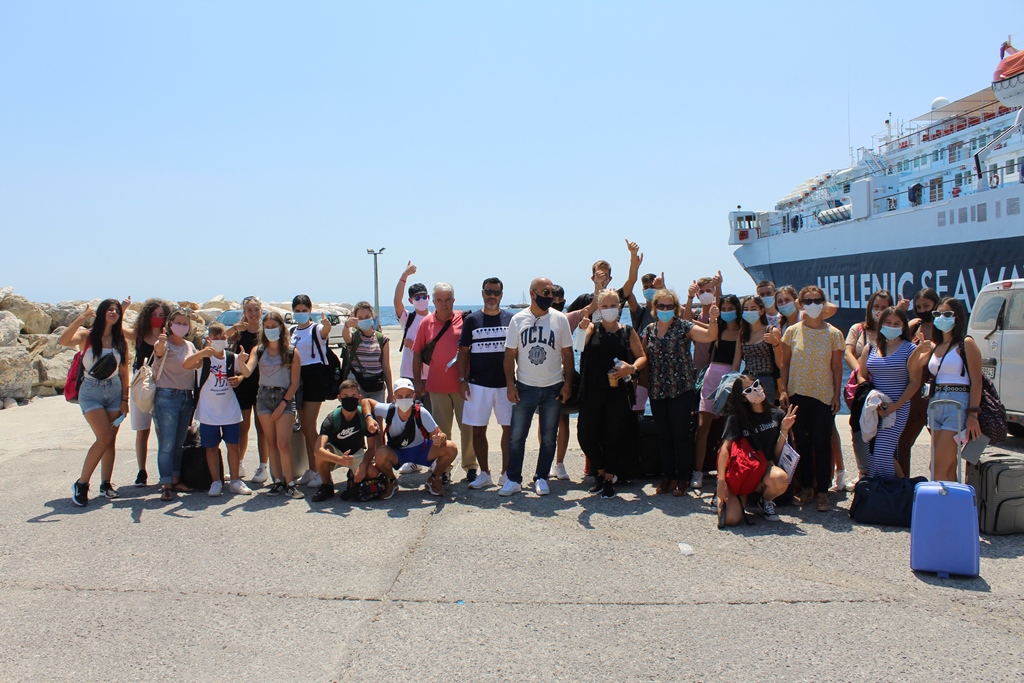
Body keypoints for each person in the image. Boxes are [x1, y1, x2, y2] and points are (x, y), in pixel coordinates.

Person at [501, 277, 574, 496]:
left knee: (549, 437)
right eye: (546, 292)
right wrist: (510, 384)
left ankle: (541, 477)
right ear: (532, 293)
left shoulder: (560, 319)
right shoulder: (517, 320)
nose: (550, 296)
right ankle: (513, 479)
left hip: (553, 387)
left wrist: (568, 384)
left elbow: (567, 354)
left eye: (552, 292)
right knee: (517, 437)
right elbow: (509, 354)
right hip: (525, 387)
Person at [641, 288, 719, 496]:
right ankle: (668, 476)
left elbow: (711, 335)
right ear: (654, 307)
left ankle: (683, 477)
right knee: (663, 435)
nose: (665, 309)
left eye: (669, 306)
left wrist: (713, 319)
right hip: (657, 390)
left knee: (681, 435)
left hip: (681, 389)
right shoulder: (649, 330)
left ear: (675, 308)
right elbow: (642, 357)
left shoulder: (684, 326)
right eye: (661, 305)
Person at [779, 286, 845, 512]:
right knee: (802, 443)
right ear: (801, 304)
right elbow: (785, 363)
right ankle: (807, 487)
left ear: (824, 303)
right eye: (808, 300)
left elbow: (837, 367)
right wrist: (783, 390)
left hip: (823, 395)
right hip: (798, 393)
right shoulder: (792, 332)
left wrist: (836, 394)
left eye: (817, 300)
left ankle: (823, 491)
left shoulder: (834, 334)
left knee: (822, 442)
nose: (813, 304)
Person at [575, 289, 647, 498]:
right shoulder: (592, 328)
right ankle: (599, 470)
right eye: (605, 306)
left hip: (618, 391)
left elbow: (642, 357)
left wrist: (631, 368)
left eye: (613, 306)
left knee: (614, 435)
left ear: (619, 307)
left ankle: (608, 478)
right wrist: (581, 329)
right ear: (599, 308)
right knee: (585, 435)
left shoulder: (627, 331)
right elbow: (579, 346)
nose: (609, 309)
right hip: (592, 389)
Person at [61, 300, 131, 506]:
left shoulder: (119, 340)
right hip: (91, 391)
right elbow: (64, 340)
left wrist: (125, 399)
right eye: (109, 309)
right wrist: (82, 318)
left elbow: (124, 372)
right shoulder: (87, 336)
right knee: (104, 437)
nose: (113, 312)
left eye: (116, 310)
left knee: (110, 440)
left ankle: (106, 484)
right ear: (101, 313)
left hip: (115, 391)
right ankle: (81, 483)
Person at [412, 283, 476, 481]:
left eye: (447, 299)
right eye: (439, 300)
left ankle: (470, 466)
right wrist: (417, 382)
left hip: (462, 386)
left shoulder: (464, 320)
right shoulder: (426, 323)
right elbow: (417, 354)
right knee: (441, 432)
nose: (444, 304)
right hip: (437, 387)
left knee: (468, 429)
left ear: (454, 300)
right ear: (433, 301)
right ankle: (444, 468)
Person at [183, 322, 254, 496]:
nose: (219, 340)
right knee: (211, 447)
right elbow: (186, 365)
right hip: (209, 412)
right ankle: (216, 482)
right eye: (215, 338)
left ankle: (235, 481)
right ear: (209, 339)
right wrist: (201, 352)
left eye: (222, 337)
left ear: (227, 338)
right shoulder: (204, 358)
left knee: (233, 446)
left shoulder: (231, 357)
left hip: (230, 410)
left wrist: (241, 365)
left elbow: (246, 373)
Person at [918, 298, 984, 482]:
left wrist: (973, 414)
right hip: (935, 403)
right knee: (947, 467)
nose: (941, 318)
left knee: (937, 466)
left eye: (947, 314)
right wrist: (919, 349)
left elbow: (977, 382)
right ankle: (954, 499)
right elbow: (913, 366)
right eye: (937, 314)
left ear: (957, 317)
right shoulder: (935, 345)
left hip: (957, 404)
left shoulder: (966, 343)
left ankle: (942, 500)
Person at [458, 277, 515, 490]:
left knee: (509, 430)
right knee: (478, 431)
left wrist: (516, 383)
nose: (492, 296)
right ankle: (484, 474)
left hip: (505, 385)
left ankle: (506, 474)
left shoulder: (512, 320)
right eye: (489, 291)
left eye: (496, 292)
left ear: (501, 295)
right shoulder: (472, 320)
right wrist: (462, 380)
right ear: (483, 293)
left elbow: (517, 352)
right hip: (477, 385)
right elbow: (463, 352)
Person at [716, 375, 796, 526]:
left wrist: (784, 430)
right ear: (743, 398)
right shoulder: (737, 417)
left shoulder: (777, 414)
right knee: (731, 519)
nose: (755, 390)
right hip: (743, 471)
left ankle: (765, 500)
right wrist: (721, 481)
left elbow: (777, 454)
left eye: (756, 385)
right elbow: (725, 449)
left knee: (780, 478)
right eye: (748, 390)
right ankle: (721, 498)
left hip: (765, 468)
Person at [855, 308, 921, 478]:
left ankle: (897, 488)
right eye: (888, 323)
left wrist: (895, 406)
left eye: (896, 323)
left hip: (898, 407)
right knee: (872, 454)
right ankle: (880, 489)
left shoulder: (910, 349)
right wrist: (870, 396)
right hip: (873, 407)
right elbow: (861, 374)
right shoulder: (870, 347)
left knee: (882, 453)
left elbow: (915, 382)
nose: (892, 326)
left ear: (903, 326)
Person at [244, 311, 304, 498]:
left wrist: (283, 404)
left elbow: (294, 382)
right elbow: (247, 371)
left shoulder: (291, 352)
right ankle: (277, 481)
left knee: (283, 443)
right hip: (263, 397)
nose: (270, 330)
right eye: (267, 327)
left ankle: (290, 483)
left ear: (281, 328)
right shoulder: (258, 350)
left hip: (284, 397)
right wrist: (240, 362)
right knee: (271, 443)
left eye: (273, 326)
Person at [366, 379, 459, 498]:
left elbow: (440, 434)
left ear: (414, 396)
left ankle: (434, 479)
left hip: (421, 450)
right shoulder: (388, 410)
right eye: (400, 396)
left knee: (451, 448)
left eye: (408, 396)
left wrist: (441, 438)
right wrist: (369, 418)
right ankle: (391, 481)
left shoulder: (421, 412)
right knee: (380, 454)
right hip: (397, 452)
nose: (404, 399)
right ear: (394, 398)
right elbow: (366, 401)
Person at [844, 290, 896, 485]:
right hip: (863, 386)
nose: (879, 311)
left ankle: (884, 473)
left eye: (884, 307)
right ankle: (863, 472)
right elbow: (848, 352)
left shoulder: (893, 329)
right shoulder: (858, 329)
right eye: (876, 307)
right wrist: (861, 371)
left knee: (884, 430)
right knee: (859, 429)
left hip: (886, 387)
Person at [693, 293, 742, 489]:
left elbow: (737, 361)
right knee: (702, 425)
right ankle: (697, 471)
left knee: (728, 428)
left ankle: (725, 471)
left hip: (730, 378)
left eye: (731, 308)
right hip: (712, 374)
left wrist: (732, 381)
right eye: (724, 309)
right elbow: (692, 323)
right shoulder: (717, 328)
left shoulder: (742, 331)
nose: (727, 312)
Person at [151, 309, 199, 502]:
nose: (182, 326)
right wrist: (161, 343)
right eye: (178, 322)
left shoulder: (190, 345)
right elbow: (158, 352)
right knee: (167, 443)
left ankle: (176, 479)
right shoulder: (164, 344)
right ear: (170, 324)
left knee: (179, 442)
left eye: (185, 323)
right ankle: (166, 484)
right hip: (167, 397)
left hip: (186, 397)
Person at [126, 298, 171, 487]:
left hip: (162, 384)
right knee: (142, 431)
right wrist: (123, 309)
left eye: (161, 315)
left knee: (163, 432)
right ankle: (141, 471)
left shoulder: (169, 336)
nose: (158, 318)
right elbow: (119, 330)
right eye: (154, 314)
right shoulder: (139, 334)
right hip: (142, 385)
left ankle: (165, 472)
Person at [290, 295, 333, 490]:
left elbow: (324, 333)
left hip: (315, 377)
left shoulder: (316, 328)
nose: (300, 314)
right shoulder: (292, 331)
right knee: (305, 427)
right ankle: (312, 467)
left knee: (308, 425)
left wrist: (327, 326)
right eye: (297, 311)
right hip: (297, 378)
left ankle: (321, 469)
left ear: (310, 310)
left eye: (304, 310)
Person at [310, 380, 379, 502]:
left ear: (359, 398)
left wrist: (363, 465)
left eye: (353, 396)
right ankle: (327, 485)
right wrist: (339, 459)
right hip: (336, 453)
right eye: (345, 396)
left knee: (372, 472)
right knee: (321, 456)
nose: (350, 399)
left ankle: (353, 479)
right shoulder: (332, 418)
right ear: (339, 398)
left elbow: (372, 448)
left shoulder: (365, 418)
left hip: (356, 453)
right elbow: (318, 450)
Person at [898, 287, 940, 476]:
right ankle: (903, 484)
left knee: (942, 444)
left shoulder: (943, 328)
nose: (923, 310)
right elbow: (893, 341)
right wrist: (899, 309)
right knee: (902, 441)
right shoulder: (914, 326)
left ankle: (943, 483)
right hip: (914, 392)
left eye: (927, 306)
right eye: (919, 307)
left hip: (937, 392)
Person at [227, 295, 269, 484]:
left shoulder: (265, 333)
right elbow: (218, 339)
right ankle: (239, 465)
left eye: (256, 310)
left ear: (261, 311)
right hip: (242, 384)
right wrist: (235, 328)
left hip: (262, 384)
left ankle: (263, 467)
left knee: (262, 428)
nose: (253, 313)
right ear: (244, 312)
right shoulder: (238, 332)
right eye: (249, 310)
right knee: (242, 428)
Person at [565, 240, 641, 314]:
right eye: (598, 275)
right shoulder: (583, 299)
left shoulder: (615, 297)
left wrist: (633, 254)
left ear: (610, 279)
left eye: (605, 275)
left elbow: (631, 280)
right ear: (593, 278)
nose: (601, 278)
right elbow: (567, 318)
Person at [342, 301, 394, 404]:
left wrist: (390, 392)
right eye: (360, 318)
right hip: (357, 386)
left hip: (376, 386)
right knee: (359, 413)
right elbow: (346, 336)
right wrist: (346, 325)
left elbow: (386, 367)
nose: (364, 320)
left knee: (377, 413)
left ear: (372, 316)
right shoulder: (354, 337)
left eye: (367, 317)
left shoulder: (382, 339)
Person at [738, 295, 783, 406]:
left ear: (762, 311)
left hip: (766, 380)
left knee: (766, 413)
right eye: (746, 309)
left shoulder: (771, 331)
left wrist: (775, 343)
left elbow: (780, 363)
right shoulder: (743, 334)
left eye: (753, 309)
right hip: (747, 380)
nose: (749, 312)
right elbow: (736, 362)